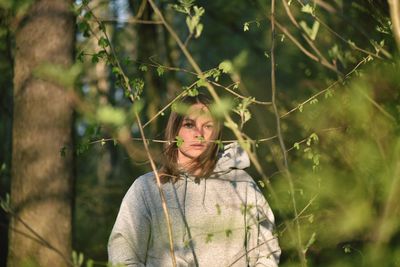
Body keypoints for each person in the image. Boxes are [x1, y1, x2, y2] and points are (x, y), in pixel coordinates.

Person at [108, 94, 281, 266]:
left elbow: (267, 251)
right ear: (175, 130)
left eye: (207, 126)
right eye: (189, 125)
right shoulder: (148, 188)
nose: (199, 134)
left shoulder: (241, 183)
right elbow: (122, 254)